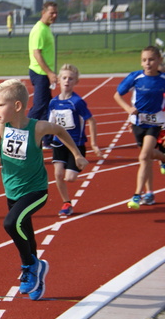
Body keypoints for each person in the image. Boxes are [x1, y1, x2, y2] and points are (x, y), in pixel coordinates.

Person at [0, 79, 88, 300]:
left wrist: (77, 155)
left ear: (17, 106)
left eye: (0, 105)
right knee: (26, 232)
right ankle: (37, 280)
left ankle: (29, 265)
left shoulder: (37, 127)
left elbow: (60, 130)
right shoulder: (0, 128)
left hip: (35, 191)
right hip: (12, 192)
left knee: (10, 223)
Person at [113, 45, 165, 209]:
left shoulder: (163, 79)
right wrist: (128, 109)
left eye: (151, 59)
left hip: (155, 124)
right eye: (144, 60)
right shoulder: (135, 77)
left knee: (143, 157)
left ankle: (137, 195)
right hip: (138, 123)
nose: (147, 63)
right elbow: (117, 95)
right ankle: (150, 193)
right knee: (148, 157)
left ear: (159, 61)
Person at [49, 64, 102, 216]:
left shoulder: (77, 102)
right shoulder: (53, 103)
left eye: (71, 79)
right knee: (58, 175)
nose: (67, 81)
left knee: (70, 178)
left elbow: (91, 120)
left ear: (76, 82)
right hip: (58, 143)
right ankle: (66, 203)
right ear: (59, 80)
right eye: (64, 78)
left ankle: (81, 162)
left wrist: (94, 144)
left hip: (76, 146)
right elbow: (49, 123)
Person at [28, 1, 58, 148]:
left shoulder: (46, 28)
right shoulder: (39, 30)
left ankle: (47, 140)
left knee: (47, 107)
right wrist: (50, 73)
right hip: (40, 74)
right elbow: (37, 54)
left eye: (56, 13)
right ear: (43, 12)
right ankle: (20, 133)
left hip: (44, 74)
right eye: (51, 13)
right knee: (39, 106)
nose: (54, 15)